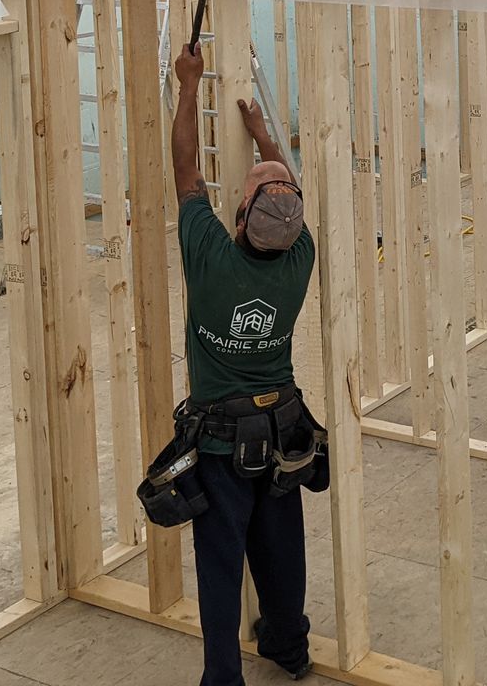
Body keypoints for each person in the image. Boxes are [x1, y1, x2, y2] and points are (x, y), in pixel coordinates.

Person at [171, 43, 316, 682]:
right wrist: (264, 140)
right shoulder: (298, 261)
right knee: (281, 548)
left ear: (237, 216)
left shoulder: (210, 257)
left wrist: (187, 87)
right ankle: (288, 647)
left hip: (221, 441)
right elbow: (286, 191)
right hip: (284, 429)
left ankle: (223, 678)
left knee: (221, 563)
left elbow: (184, 171)